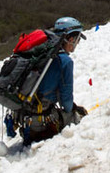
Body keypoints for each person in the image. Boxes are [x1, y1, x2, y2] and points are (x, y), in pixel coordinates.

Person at [21, 16, 87, 145]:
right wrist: (73, 109)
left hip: (25, 118)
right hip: (42, 122)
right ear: (71, 39)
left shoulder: (41, 53)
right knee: (78, 116)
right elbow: (66, 101)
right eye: (77, 40)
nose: (77, 44)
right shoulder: (65, 61)